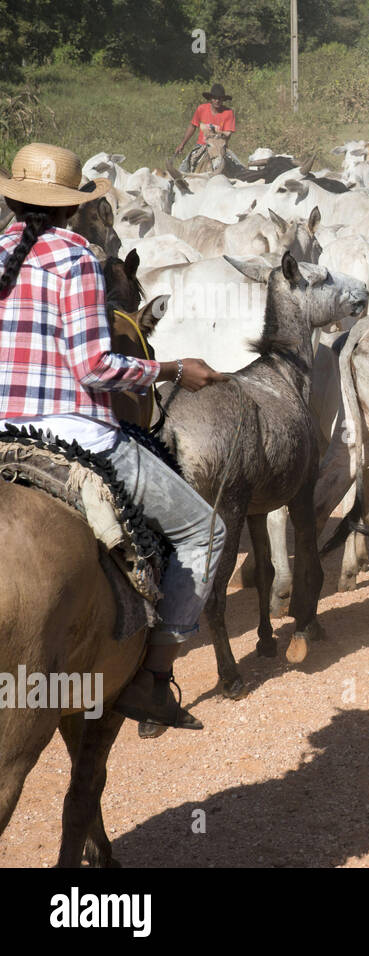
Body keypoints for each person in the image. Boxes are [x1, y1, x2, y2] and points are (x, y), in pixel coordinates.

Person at [0, 142, 228, 734]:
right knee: (204, 531)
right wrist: (171, 370)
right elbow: (95, 367)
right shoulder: (77, 256)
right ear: (74, 208)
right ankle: (154, 679)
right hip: (71, 433)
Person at [174, 83, 236, 172]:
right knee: (183, 168)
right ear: (211, 99)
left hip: (220, 147)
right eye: (214, 98)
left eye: (219, 98)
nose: (217, 101)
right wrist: (182, 144)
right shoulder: (202, 109)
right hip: (201, 146)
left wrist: (219, 134)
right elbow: (192, 126)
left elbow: (228, 134)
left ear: (223, 99)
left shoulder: (228, 113)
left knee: (236, 166)